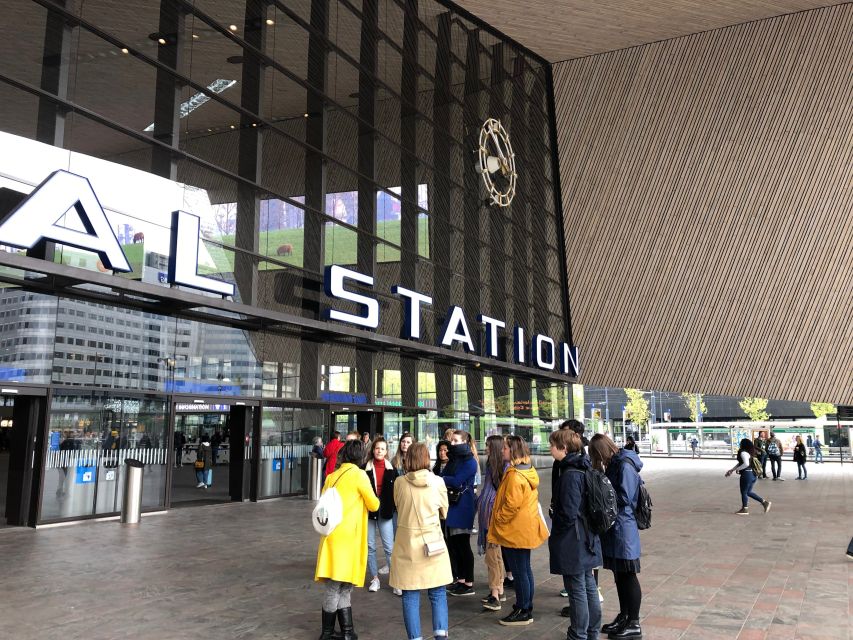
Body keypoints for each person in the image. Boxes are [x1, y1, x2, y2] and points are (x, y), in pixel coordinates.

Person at [315, 440, 380, 640]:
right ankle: (327, 633)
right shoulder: (359, 475)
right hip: (348, 540)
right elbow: (374, 504)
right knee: (338, 586)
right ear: (361, 456)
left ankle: (347, 632)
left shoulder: (332, 476)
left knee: (341, 585)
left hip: (331, 537)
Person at [389, 442, 453, 640]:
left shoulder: (399, 482)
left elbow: (398, 506)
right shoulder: (439, 482)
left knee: (410, 595)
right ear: (427, 458)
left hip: (406, 545)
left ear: (408, 459)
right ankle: (440, 636)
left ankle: (415, 638)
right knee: (438, 593)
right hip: (433, 545)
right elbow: (444, 512)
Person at [488, 435, 549, 627]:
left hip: (515, 529)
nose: (502, 450)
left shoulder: (515, 475)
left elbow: (511, 505)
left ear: (512, 450)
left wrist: (498, 519)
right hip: (523, 528)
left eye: (505, 448)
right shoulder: (527, 469)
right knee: (525, 569)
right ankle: (525, 606)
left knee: (520, 571)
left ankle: (523, 609)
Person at [589, 433, 643, 639]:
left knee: (628, 575)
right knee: (619, 576)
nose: (598, 461)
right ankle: (624, 616)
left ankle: (634, 622)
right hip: (616, 527)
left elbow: (625, 497)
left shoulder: (624, 464)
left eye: (597, 456)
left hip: (624, 528)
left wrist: (602, 495)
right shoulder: (614, 463)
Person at [549, 429, 602, 640]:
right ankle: (592, 632)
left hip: (574, 539)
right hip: (587, 536)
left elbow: (568, 513)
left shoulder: (570, 474)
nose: (550, 448)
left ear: (563, 448)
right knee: (588, 585)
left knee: (577, 588)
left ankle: (578, 634)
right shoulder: (582, 467)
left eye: (552, 445)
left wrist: (557, 527)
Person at [442, 429, 479, 597]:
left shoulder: (470, 461)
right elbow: (444, 476)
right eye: (452, 440)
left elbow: (455, 481)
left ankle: (468, 582)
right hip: (452, 505)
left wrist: (444, 480)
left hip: (463, 506)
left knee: (463, 544)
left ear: (464, 442)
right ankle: (461, 580)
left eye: (456, 441)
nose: (453, 443)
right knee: (455, 544)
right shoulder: (454, 459)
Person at [364, 437, 399, 594]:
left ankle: (396, 580)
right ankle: (374, 579)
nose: (379, 451)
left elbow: (397, 492)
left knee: (389, 548)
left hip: (385, 512)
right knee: (370, 546)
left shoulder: (392, 470)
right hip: (368, 512)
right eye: (377, 448)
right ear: (373, 450)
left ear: (386, 451)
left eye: (382, 449)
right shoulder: (364, 468)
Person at [477, 435, 507, 612]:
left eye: (488, 446)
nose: (486, 448)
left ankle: (495, 594)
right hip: (488, 515)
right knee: (495, 555)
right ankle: (499, 588)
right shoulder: (492, 465)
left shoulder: (502, 468)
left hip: (493, 517)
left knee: (492, 556)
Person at [725, 438, 771, 516]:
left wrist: (738, 469)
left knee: (744, 492)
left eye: (741, 443)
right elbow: (741, 463)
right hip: (752, 475)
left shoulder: (743, 453)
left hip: (746, 475)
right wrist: (732, 470)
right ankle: (764, 503)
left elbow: (745, 464)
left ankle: (745, 509)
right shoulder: (750, 453)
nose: (740, 444)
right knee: (748, 492)